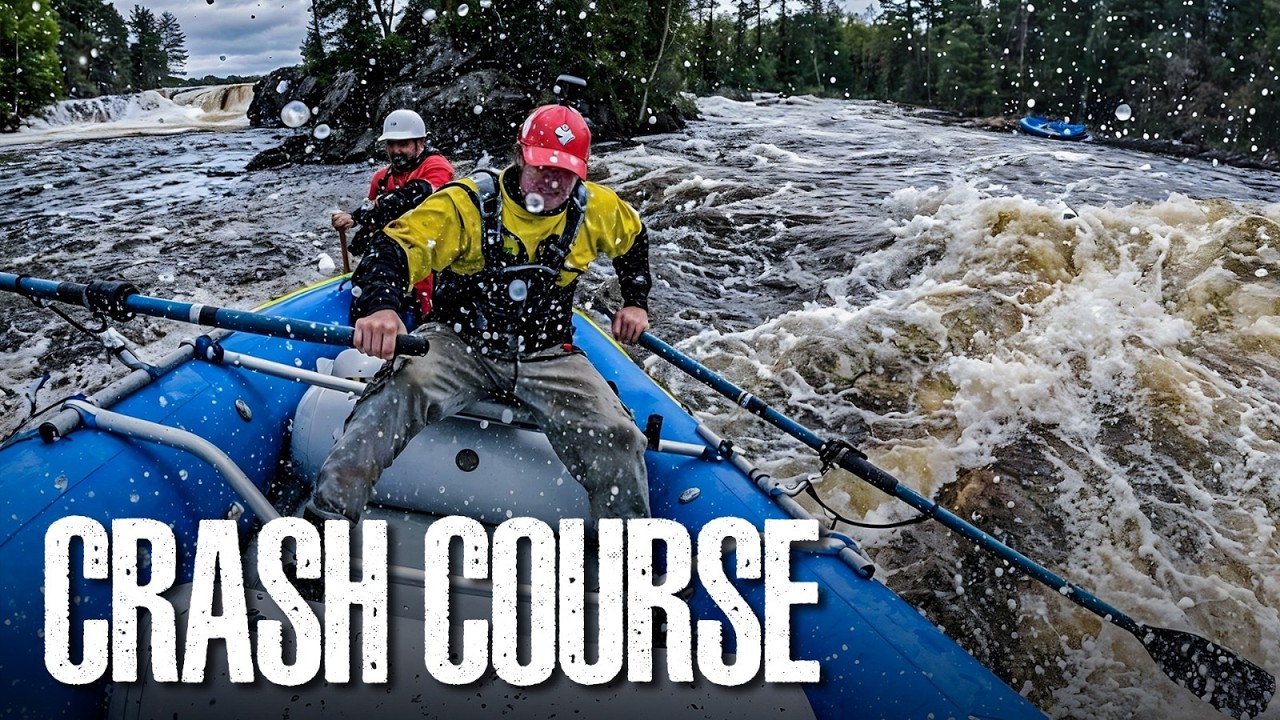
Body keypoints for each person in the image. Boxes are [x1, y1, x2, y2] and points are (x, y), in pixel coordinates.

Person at [303, 102, 653, 532]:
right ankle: (327, 524)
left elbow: (634, 240)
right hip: (458, 342)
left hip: (548, 353)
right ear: (519, 157)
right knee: (394, 394)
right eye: (542, 168)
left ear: (583, 171)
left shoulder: (599, 208)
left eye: (565, 173)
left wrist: (636, 302)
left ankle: (626, 551)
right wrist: (381, 307)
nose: (552, 182)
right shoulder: (466, 203)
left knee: (620, 435)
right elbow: (391, 249)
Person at [331, 108, 454, 322]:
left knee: (427, 306)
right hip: (397, 256)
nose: (396, 151)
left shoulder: (437, 167)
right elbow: (375, 220)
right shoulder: (380, 178)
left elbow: (411, 198)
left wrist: (358, 216)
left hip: (433, 257)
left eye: (403, 144)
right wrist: (356, 229)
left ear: (420, 143)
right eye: (391, 144)